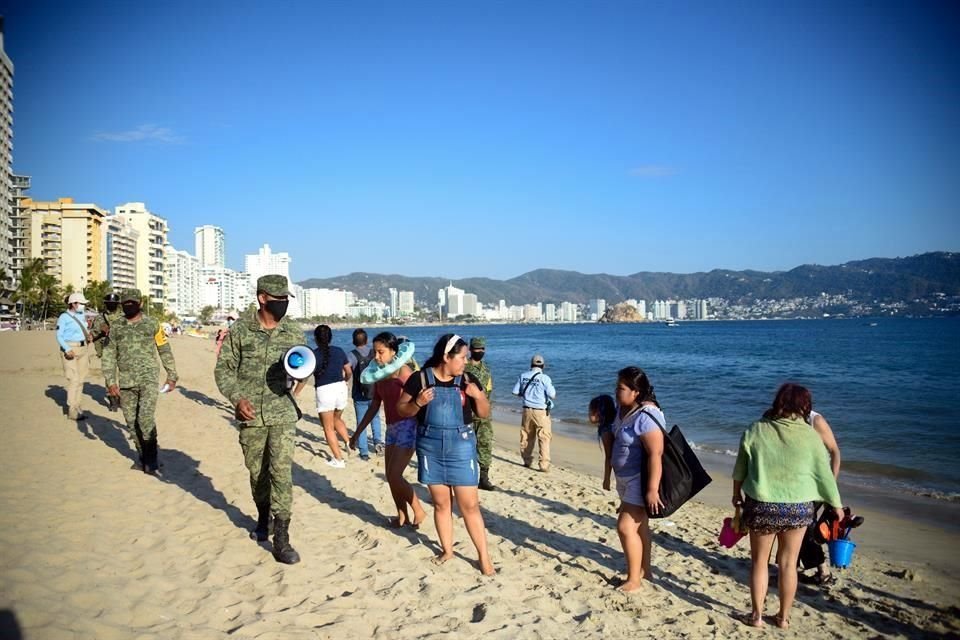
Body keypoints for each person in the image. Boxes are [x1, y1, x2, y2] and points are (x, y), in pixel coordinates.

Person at [733, 383, 843, 629]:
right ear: (805, 406)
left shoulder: (755, 429)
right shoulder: (810, 435)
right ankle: (782, 618)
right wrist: (835, 504)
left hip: (762, 505)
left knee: (760, 563)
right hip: (798, 508)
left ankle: (757, 617)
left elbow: (740, 468)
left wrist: (735, 496)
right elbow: (824, 474)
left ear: (778, 402)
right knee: (788, 563)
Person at [215, 275, 304, 564]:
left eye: (286, 299)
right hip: (250, 414)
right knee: (257, 472)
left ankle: (282, 539)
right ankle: (262, 516)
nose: (284, 304)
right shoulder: (241, 330)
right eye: (279, 299)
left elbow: (304, 364)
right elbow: (224, 370)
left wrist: (299, 378)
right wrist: (237, 399)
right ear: (263, 298)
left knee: (281, 472)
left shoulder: (293, 331)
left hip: (282, 414)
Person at [397, 333, 494, 575]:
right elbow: (402, 410)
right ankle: (447, 550)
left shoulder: (468, 380)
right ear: (446, 357)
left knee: (470, 505)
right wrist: (418, 403)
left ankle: (484, 558)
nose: (465, 361)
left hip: (461, 446)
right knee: (441, 503)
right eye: (461, 357)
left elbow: (483, 413)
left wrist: (478, 395)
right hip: (430, 446)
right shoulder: (420, 379)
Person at [348, 332, 425, 527]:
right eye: (374, 352)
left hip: (409, 426)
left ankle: (418, 510)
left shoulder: (406, 374)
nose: (376, 356)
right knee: (390, 476)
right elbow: (375, 406)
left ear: (393, 351)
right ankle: (402, 516)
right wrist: (358, 432)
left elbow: (421, 403)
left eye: (381, 352)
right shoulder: (380, 376)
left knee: (395, 475)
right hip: (391, 428)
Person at [103, 289, 178, 475]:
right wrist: (111, 382)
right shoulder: (116, 326)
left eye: (133, 302)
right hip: (126, 381)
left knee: (145, 420)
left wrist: (172, 375)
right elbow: (109, 355)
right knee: (131, 422)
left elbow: (164, 349)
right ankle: (141, 456)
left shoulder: (152, 323)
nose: (129, 305)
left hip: (148, 380)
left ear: (141, 303)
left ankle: (152, 459)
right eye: (126, 302)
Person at [610, 367, 665, 592]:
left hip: (638, 480)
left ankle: (634, 579)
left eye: (621, 388)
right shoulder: (622, 410)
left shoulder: (647, 417)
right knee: (640, 526)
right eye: (616, 387)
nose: (616, 392)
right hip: (623, 478)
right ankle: (645, 570)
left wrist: (652, 489)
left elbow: (656, 454)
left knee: (624, 527)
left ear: (636, 392)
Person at [293, 324, 352, 468]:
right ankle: (348, 442)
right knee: (337, 418)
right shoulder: (339, 351)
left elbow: (304, 377)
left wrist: (295, 393)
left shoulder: (313, 355)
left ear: (315, 339)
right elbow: (348, 371)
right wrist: (345, 380)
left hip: (325, 391)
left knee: (328, 427)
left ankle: (338, 460)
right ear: (330, 337)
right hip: (340, 388)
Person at [512, 354, 556, 472]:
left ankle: (527, 460)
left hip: (527, 409)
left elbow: (515, 392)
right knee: (544, 437)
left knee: (526, 435)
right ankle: (543, 464)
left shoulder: (523, 376)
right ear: (543, 366)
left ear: (531, 364)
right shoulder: (545, 378)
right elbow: (553, 395)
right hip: (541, 412)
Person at [465, 336, 497, 491]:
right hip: (467, 415)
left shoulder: (486, 369)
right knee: (466, 446)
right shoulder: (464, 368)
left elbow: (489, 390)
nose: (479, 351)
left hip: (483, 416)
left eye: (482, 349)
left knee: (485, 445)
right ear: (471, 350)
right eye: (477, 349)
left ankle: (483, 478)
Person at [346, 328, 384, 458]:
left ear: (353, 341)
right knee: (376, 418)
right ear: (367, 340)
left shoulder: (352, 355)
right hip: (375, 392)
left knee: (361, 422)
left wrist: (346, 378)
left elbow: (347, 369)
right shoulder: (374, 353)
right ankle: (378, 443)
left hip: (359, 393)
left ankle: (364, 452)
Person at [56, 292, 93, 420]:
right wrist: (67, 348)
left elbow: (84, 329)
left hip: (83, 348)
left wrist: (88, 335)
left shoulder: (81, 315)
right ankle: (72, 410)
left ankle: (78, 406)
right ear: (73, 304)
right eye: (81, 303)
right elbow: (59, 336)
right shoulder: (64, 317)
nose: (83, 306)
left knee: (81, 379)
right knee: (74, 379)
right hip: (70, 348)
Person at [91, 292, 122, 411]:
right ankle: (112, 398)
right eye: (110, 303)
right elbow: (94, 335)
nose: (112, 305)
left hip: (123, 350)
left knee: (124, 374)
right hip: (107, 349)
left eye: (114, 303)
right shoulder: (99, 318)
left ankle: (121, 397)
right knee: (110, 374)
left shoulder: (124, 316)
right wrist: (101, 331)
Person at [588, 394, 617, 492]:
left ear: (599, 412)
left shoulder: (607, 429)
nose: (588, 413)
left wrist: (606, 479)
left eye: (590, 410)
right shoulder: (615, 423)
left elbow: (609, 457)